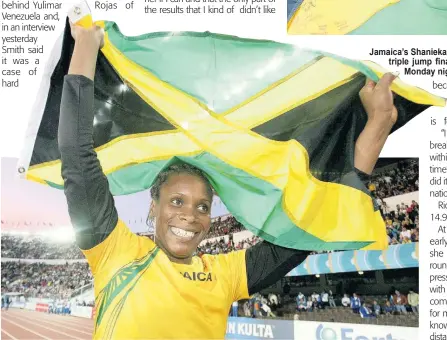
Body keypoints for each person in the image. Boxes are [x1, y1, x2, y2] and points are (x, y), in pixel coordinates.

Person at [61, 23, 400, 339]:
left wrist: (378, 126)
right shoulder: (114, 251)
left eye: (202, 206)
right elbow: (77, 159)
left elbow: (310, 226)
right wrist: (86, 47)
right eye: (176, 201)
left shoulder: (226, 272)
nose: (190, 215)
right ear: (154, 206)